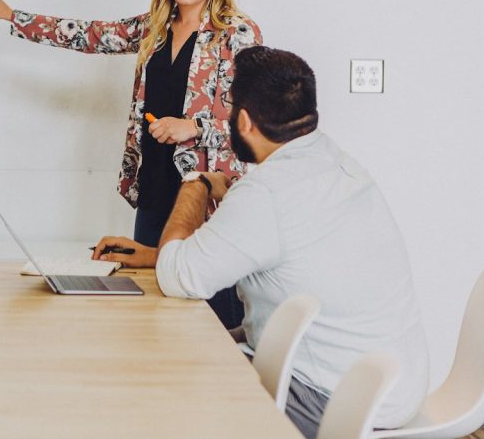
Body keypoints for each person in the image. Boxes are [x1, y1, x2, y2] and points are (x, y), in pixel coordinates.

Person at [0, 0, 261, 327]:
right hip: (154, 183)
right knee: (151, 309)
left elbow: (253, 121)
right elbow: (89, 36)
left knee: (206, 312)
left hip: (203, 194)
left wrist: (193, 126)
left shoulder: (236, 34)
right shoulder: (154, 27)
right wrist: (11, 15)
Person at [142, 45, 428, 438]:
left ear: (243, 120)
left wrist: (199, 183)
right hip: (394, 384)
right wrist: (158, 254)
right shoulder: (336, 161)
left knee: (165, 384)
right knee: (202, 352)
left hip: (336, 400)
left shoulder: (266, 193)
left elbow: (178, 277)